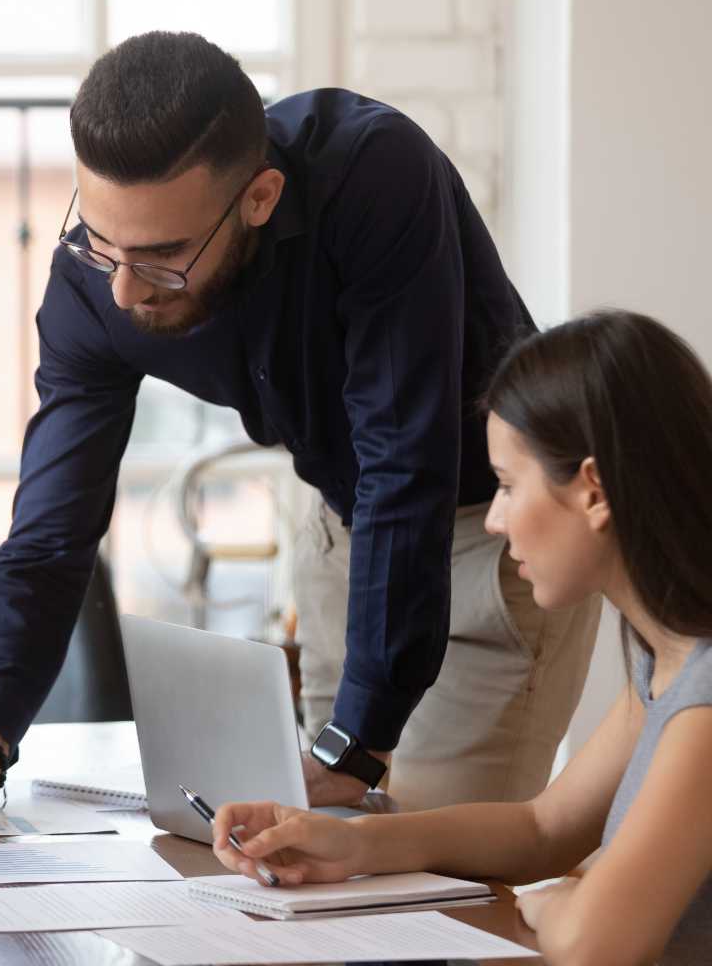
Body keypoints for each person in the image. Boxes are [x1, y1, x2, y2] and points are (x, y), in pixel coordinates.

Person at [0, 30, 601, 828]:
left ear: (258, 198)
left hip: (499, 545)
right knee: (323, 869)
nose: (124, 291)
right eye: (102, 239)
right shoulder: (93, 283)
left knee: (439, 873)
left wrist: (356, 745)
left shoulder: (375, 175)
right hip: (345, 535)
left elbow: (406, 462)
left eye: (163, 256)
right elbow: (51, 533)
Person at [210, 311, 712, 966]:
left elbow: (596, 943)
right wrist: (351, 846)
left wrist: (563, 902)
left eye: (506, 486)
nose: (496, 521)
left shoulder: (703, 691)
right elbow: (544, 829)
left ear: (593, 491)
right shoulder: (665, 658)